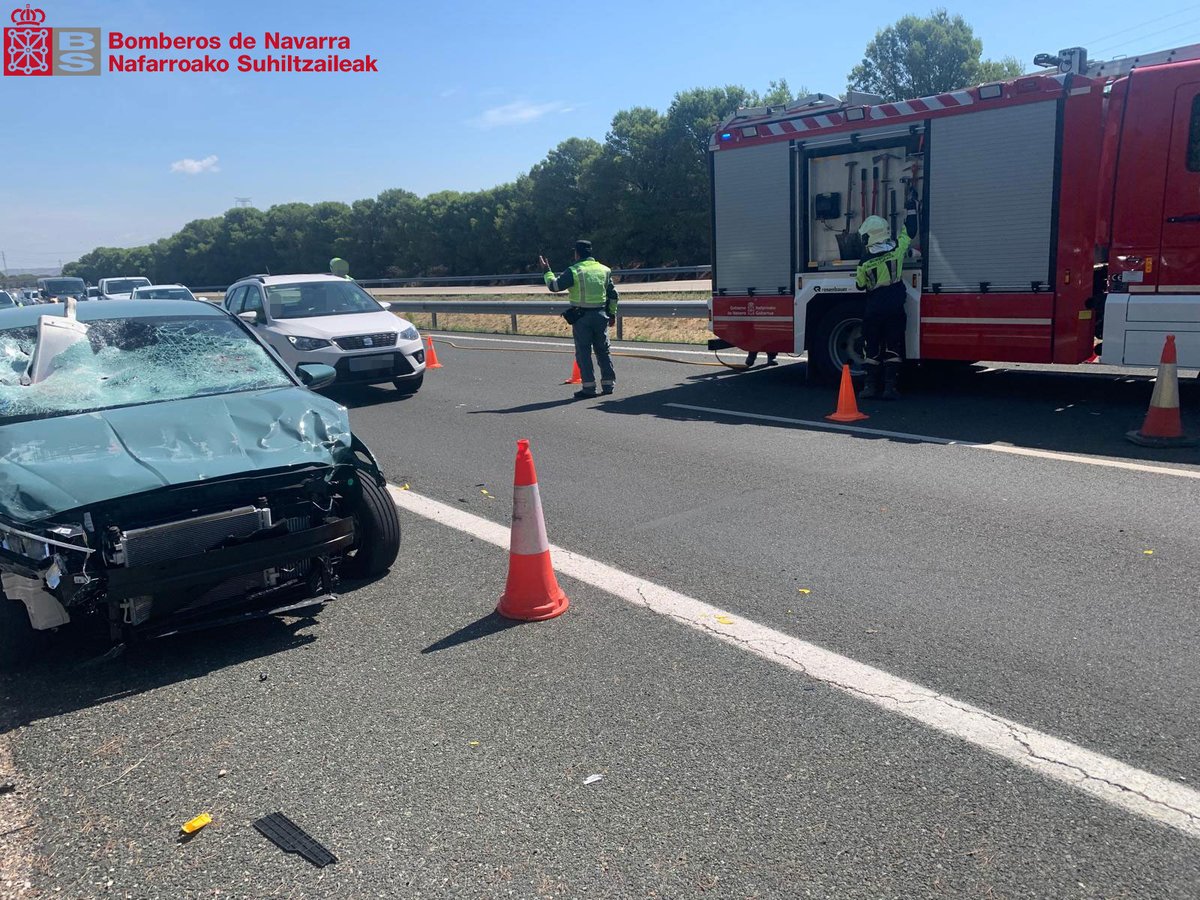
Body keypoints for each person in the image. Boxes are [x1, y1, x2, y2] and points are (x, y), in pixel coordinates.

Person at [856, 192, 918, 401]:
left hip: (874, 308)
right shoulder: (897, 251)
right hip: (894, 307)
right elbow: (909, 231)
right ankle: (890, 388)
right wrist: (911, 208)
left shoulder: (864, 262)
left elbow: (860, 285)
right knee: (893, 345)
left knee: (871, 346)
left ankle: (870, 387)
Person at [541, 240, 619, 398]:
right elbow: (613, 295)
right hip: (601, 315)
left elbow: (554, 286)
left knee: (583, 352)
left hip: (581, 317)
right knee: (603, 350)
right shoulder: (604, 270)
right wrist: (611, 314)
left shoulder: (574, 270)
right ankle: (608, 384)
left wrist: (546, 271)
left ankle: (589, 388)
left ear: (577, 253)